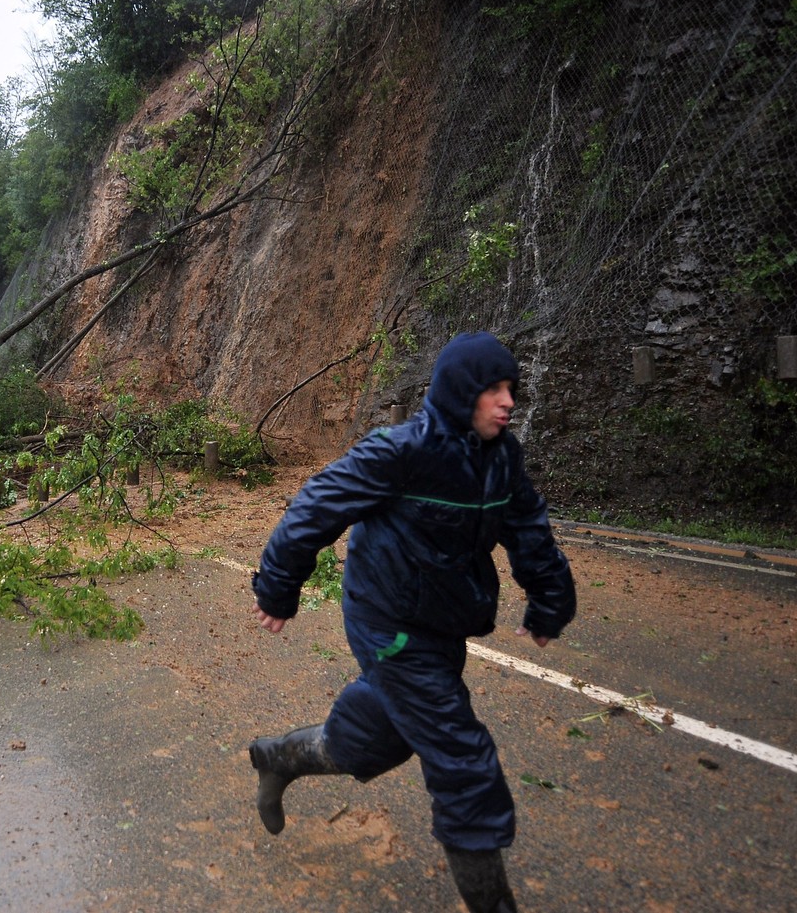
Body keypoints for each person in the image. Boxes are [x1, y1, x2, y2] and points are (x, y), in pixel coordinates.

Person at [247, 331, 576, 913]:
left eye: (510, 388)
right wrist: (278, 585)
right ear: (459, 393)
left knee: (381, 736)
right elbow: (316, 505)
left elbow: (529, 530)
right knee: (462, 759)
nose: (507, 401)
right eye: (492, 389)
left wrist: (549, 599)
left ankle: (279, 758)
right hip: (388, 621)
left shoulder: (502, 459)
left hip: (442, 622)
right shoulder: (400, 452)